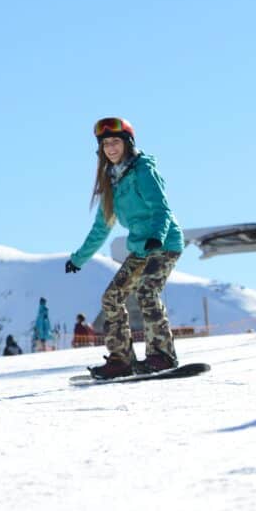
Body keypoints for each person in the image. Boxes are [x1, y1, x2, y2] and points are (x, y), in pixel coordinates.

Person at [66, 116, 184, 379]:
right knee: (111, 297)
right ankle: (122, 359)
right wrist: (79, 258)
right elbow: (101, 227)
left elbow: (161, 208)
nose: (111, 148)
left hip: (164, 243)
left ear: (127, 143)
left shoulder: (143, 170)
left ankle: (162, 355)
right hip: (141, 247)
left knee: (146, 291)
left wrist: (156, 235)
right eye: (105, 143)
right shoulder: (111, 181)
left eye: (115, 142)